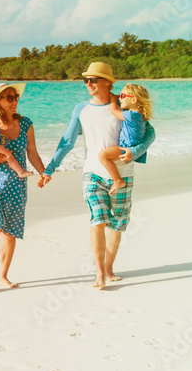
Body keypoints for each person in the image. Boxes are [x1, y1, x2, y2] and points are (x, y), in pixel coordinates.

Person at [38, 62, 156, 289]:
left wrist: (135, 152)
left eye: (93, 79)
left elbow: (150, 132)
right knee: (98, 219)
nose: (88, 84)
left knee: (117, 225)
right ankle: (99, 273)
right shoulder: (81, 109)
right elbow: (67, 141)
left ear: (108, 82)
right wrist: (50, 169)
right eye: (86, 80)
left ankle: (109, 269)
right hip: (93, 172)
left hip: (123, 174)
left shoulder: (124, 105)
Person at [0, 83, 47, 294]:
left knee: (10, 232)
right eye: (8, 98)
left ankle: (3, 275)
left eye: (15, 97)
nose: (14, 101)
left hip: (17, 184)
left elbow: (32, 152)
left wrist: (44, 172)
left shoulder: (26, 123)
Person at [97, 84, 154, 192]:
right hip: (132, 145)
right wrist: (122, 97)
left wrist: (113, 98)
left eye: (122, 96)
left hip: (126, 147)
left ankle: (118, 180)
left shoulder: (132, 115)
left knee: (103, 156)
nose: (119, 98)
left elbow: (113, 111)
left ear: (133, 100)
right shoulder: (139, 114)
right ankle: (118, 180)